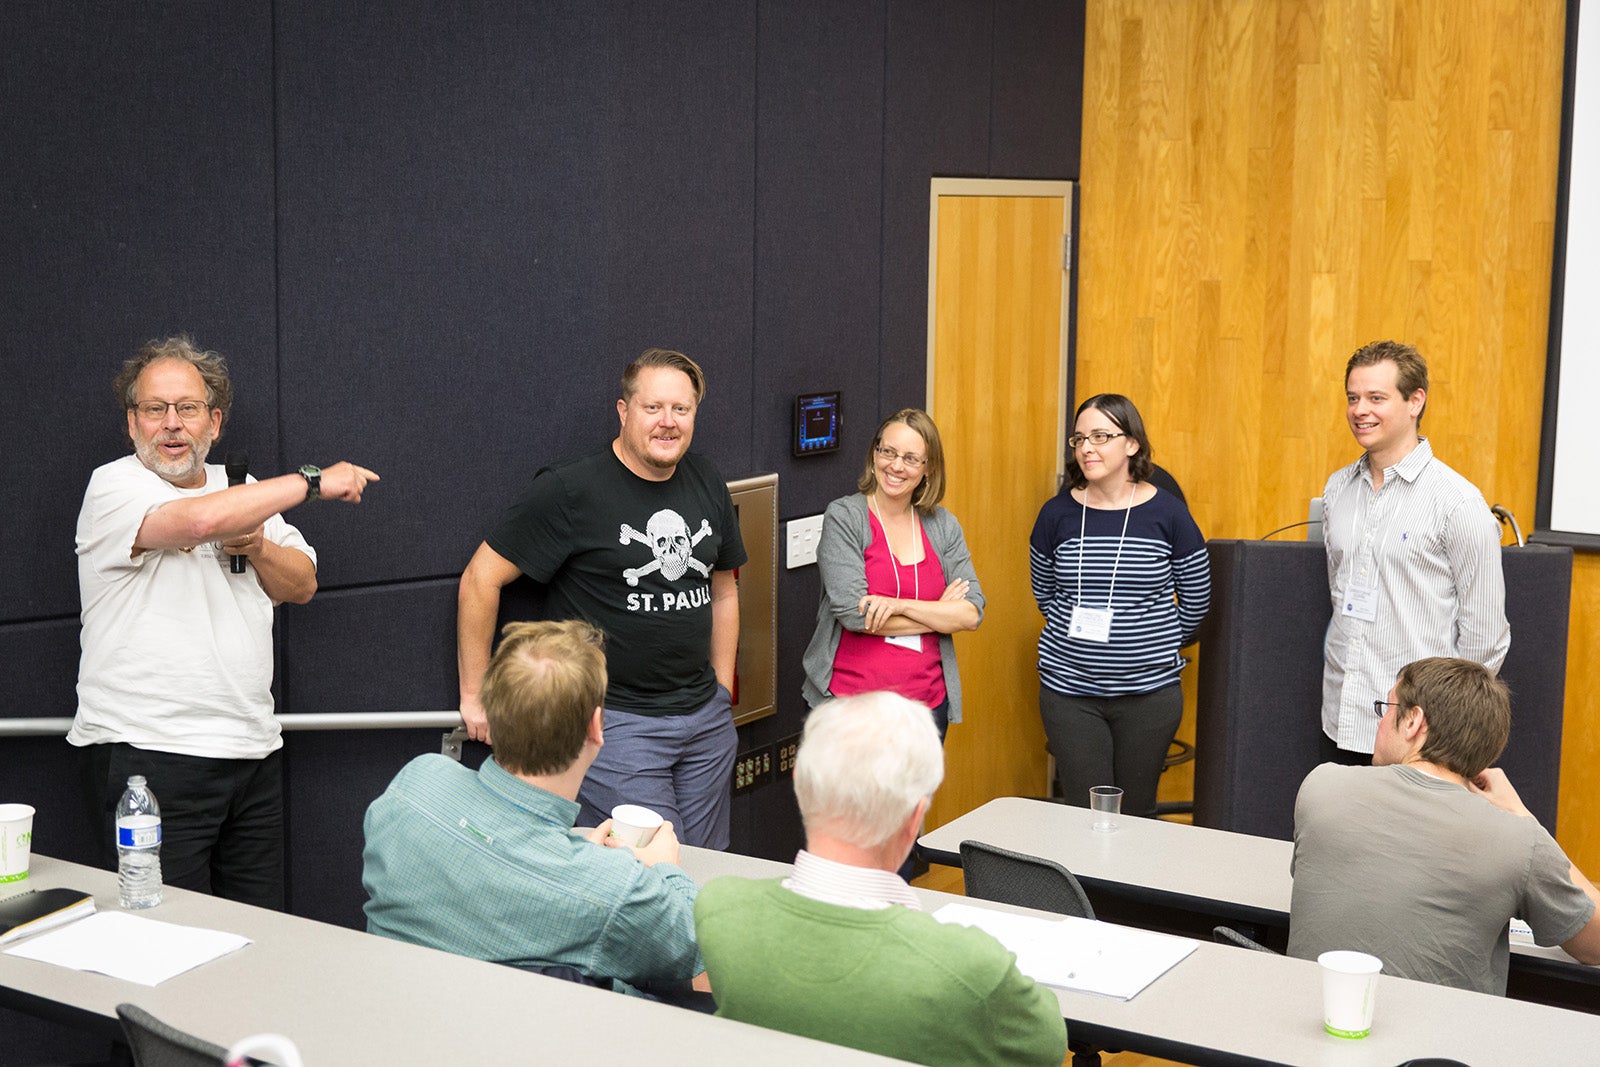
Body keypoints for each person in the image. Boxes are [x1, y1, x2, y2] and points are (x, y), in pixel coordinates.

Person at [72, 336, 378, 909]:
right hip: (150, 756)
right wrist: (312, 481)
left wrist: (258, 546)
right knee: (168, 934)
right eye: (154, 408)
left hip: (250, 753)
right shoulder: (114, 486)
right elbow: (197, 522)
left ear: (214, 422)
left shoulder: (244, 490)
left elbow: (302, 585)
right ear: (132, 424)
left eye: (187, 408)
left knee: (259, 934)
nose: (171, 423)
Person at [457, 348, 746, 848]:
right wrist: (474, 694)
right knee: (643, 870)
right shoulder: (571, 488)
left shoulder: (707, 480)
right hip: (616, 725)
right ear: (624, 410)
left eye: (681, 409)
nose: (668, 421)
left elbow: (723, 592)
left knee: (709, 865)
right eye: (653, 407)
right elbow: (480, 579)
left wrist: (721, 691)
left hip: (705, 723)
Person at [694, 692, 1067, 1067]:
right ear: (914, 817)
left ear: (799, 785)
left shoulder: (720, 910)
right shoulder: (969, 967)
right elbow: (1047, 1047)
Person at [363, 620, 702, 993]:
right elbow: (698, 946)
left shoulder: (415, 783)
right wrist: (665, 869)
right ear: (595, 726)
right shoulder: (613, 889)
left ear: (491, 711)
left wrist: (580, 859)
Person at [1289, 657, 1600, 993]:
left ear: (1414, 721)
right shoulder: (1519, 840)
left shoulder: (1321, 786)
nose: (1381, 722)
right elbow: (1594, 944)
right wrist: (1521, 814)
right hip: (1443, 1029)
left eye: (1387, 709)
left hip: (1313, 1018)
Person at [1320, 340, 1509, 760]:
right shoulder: (1337, 489)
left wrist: (1444, 725)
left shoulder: (1457, 503)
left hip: (1420, 735)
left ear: (1415, 401)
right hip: (1341, 717)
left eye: (1376, 398)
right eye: (1353, 398)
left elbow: (1486, 638)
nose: (1360, 410)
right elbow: (1339, 594)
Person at [1029, 394, 1209, 817]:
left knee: (1137, 813)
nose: (1086, 448)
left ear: (1132, 443)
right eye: (1079, 439)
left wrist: (1153, 642)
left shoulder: (1170, 515)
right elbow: (1045, 594)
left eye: (1100, 436)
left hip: (1149, 696)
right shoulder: (1056, 514)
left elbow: (1197, 599)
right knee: (1086, 813)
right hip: (1069, 693)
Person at [801, 409, 982, 740]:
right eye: (888, 452)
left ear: (928, 468)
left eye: (911, 458)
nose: (896, 466)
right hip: (849, 706)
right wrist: (939, 614)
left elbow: (970, 614)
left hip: (926, 709)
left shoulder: (943, 525)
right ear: (875, 454)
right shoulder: (845, 517)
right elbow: (854, 614)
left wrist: (898, 605)